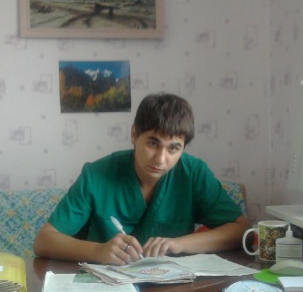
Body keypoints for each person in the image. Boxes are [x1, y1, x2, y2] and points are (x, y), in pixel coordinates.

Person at [33, 92, 250, 265]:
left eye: (174, 148)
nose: (161, 159)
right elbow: (44, 241)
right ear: (134, 135)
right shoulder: (96, 175)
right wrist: (98, 251)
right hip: (104, 289)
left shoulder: (193, 173)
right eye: (153, 143)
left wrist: (179, 244)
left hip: (172, 290)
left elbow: (240, 229)